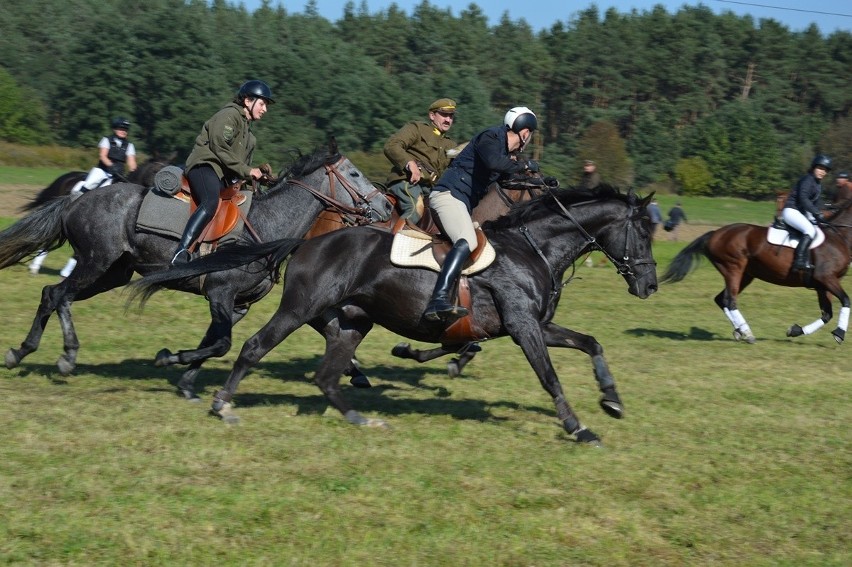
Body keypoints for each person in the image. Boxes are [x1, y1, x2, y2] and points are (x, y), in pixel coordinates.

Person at [423, 106, 540, 322]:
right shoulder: (492, 137)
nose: (529, 138)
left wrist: (540, 182)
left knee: (484, 243)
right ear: (524, 132)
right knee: (467, 239)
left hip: (458, 201)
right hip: (448, 195)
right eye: (530, 134)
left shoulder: (504, 153)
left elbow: (507, 181)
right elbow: (493, 163)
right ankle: (437, 300)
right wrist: (525, 164)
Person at [171, 80, 274, 265]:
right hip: (205, 166)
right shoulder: (229, 115)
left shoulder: (250, 137)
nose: (265, 109)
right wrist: (249, 170)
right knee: (210, 202)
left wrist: (258, 177)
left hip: (223, 177)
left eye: (266, 105)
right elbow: (220, 148)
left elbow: (241, 168)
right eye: (262, 103)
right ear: (247, 101)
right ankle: (181, 252)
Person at [29, 117, 138, 276]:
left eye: (125, 129)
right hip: (103, 170)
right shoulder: (107, 140)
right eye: (121, 128)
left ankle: (67, 270)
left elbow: (132, 163)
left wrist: (134, 172)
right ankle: (74, 201)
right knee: (88, 184)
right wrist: (110, 166)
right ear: (115, 129)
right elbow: (103, 156)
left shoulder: (130, 146)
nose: (123, 131)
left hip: (118, 175)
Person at [383, 98, 459, 223]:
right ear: (432, 115)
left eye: (451, 116)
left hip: (430, 189)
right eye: (444, 115)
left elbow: (460, 166)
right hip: (406, 182)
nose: (448, 120)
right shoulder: (417, 128)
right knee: (415, 208)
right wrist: (410, 164)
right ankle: (394, 241)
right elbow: (392, 146)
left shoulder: (450, 144)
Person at [782, 154, 832, 270]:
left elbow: (818, 203)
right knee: (810, 230)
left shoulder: (818, 184)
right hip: (791, 210)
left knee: (817, 227)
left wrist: (830, 208)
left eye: (825, 170)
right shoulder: (807, 179)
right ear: (814, 167)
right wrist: (816, 213)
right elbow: (803, 198)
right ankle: (798, 261)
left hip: (800, 213)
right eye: (820, 168)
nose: (822, 172)